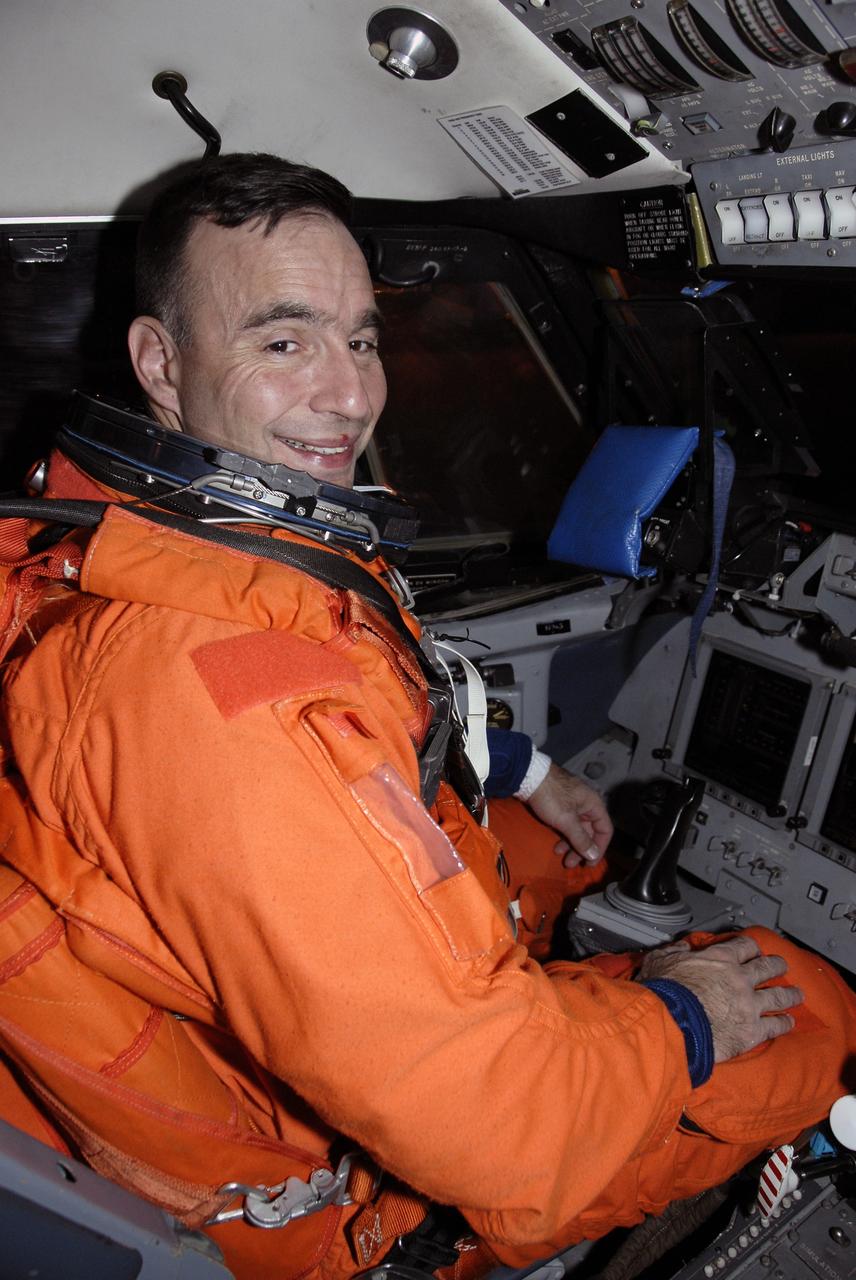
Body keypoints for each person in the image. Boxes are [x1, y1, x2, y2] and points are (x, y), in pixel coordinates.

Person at [0, 153, 852, 1280]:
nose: (352, 394)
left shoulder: (154, 549)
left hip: (252, 1026)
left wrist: (529, 765)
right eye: (284, 339)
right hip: (361, 1200)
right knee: (810, 1012)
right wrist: (683, 1017)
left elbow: (385, 700)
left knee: (560, 845)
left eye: (360, 337)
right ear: (161, 361)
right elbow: (500, 1123)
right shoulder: (223, 704)